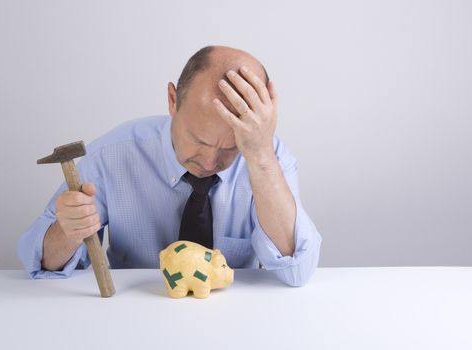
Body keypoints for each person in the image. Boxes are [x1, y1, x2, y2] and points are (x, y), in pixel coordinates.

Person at [17, 45, 322, 287]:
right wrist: (68, 231)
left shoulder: (269, 157)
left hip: (233, 324)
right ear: (172, 100)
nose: (208, 162)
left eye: (230, 148)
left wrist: (260, 158)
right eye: (197, 139)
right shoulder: (111, 155)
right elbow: (39, 263)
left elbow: (297, 271)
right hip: (131, 319)